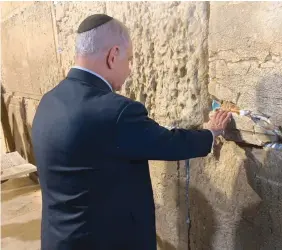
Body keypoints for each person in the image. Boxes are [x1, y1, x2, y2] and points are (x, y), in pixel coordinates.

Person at [31, 14, 231, 250]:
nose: (130, 69)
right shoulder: (116, 111)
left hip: (59, 240)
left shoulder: (48, 102)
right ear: (112, 55)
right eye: (129, 59)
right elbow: (168, 143)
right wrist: (211, 132)